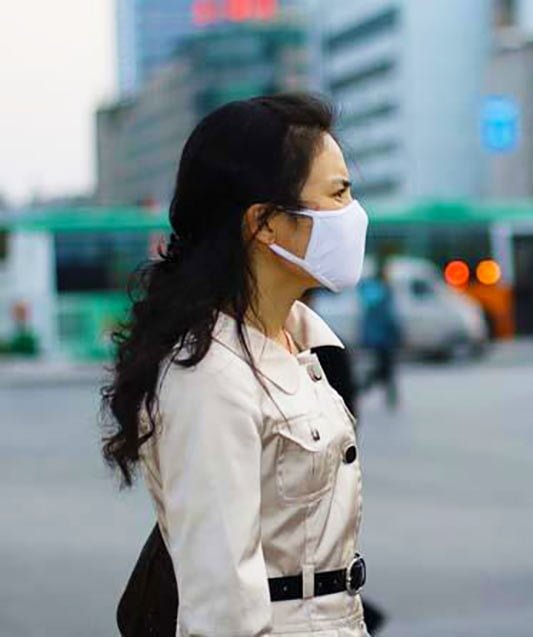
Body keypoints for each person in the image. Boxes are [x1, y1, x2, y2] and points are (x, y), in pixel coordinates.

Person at [101, 94, 371, 636]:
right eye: (338, 193)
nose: (355, 214)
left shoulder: (300, 342)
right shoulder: (209, 375)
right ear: (265, 223)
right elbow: (221, 607)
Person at [358, 259, 403, 408]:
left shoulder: (376, 289)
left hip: (381, 335)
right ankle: (362, 388)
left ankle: (389, 395)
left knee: (386, 366)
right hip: (381, 336)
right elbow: (387, 314)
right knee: (384, 367)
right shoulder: (379, 290)